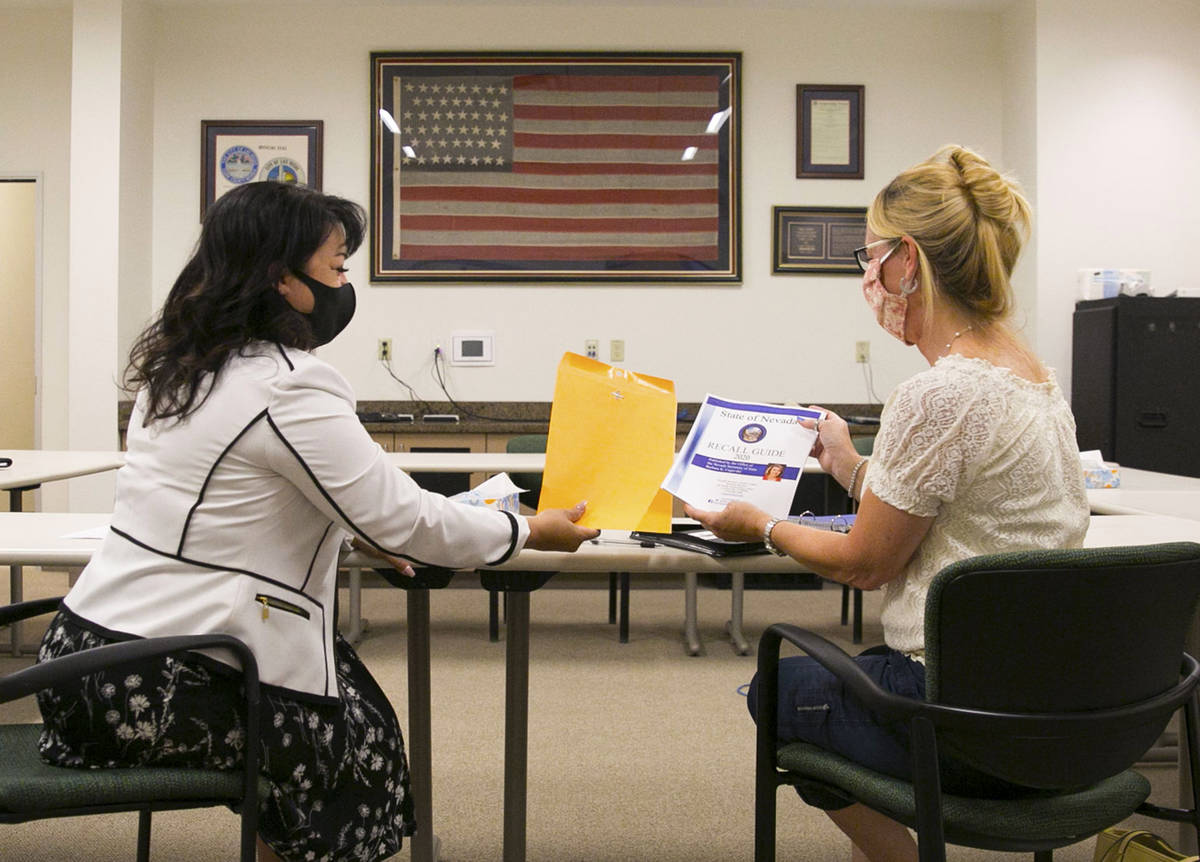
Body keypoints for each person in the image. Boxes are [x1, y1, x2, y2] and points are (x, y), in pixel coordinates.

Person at [34, 181, 599, 862]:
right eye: (336, 267)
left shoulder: (179, 369)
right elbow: (409, 520)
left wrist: (350, 524)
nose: (344, 284)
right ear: (282, 279)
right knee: (355, 750)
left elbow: (224, 505)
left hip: (85, 660)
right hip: (160, 680)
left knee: (345, 694)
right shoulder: (289, 382)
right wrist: (528, 531)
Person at [686, 145, 1089, 862]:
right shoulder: (1031, 375)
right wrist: (847, 465)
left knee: (777, 687)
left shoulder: (938, 393)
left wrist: (764, 525)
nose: (866, 276)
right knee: (853, 666)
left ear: (905, 262)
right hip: (1056, 706)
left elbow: (866, 563)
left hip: (960, 715)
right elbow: (953, 505)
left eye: (867, 256)